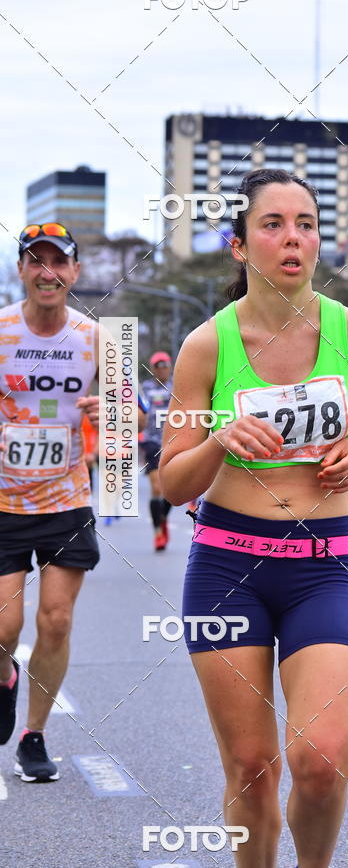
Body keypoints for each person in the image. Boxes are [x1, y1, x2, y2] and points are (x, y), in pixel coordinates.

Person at [159, 168, 348, 868]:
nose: (293, 238)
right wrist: (219, 440)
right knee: (251, 767)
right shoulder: (208, 345)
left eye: (306, 224)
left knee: (320, 760)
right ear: (238, 246)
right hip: (228, 570)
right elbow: (172, 481)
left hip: (324, 568)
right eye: (273, 224)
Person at [0, 223, 100, 782]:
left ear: (74, 272)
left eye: (58, 262)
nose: (47, 272)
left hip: (66, 499)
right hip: (3, 502)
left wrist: (109, 413)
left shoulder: (98, 338)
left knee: (56, 621)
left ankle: (33, 737)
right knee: (5, 628)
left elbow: (134, 418)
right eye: (35, 262)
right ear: (20, 270)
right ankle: (5, 675)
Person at [141, 352, 173, 550]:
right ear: (152, 369)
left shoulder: (177, 386)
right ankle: (158, 532)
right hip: (151, 441)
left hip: (173, 441)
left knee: (170, 488)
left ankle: (162, 517)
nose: (162, 369)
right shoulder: (145, 388)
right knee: (156, 487)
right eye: (158, 366)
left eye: (165, 365)